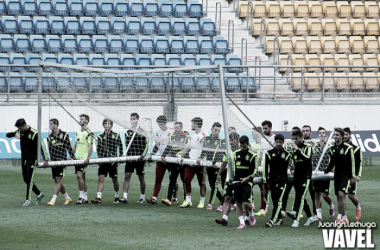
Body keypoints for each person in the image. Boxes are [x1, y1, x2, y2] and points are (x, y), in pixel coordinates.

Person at [6, 118, 48, 206]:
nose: (19, 130)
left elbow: (42, 146)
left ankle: (27, 200)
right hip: (24, 158)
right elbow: (7, 135)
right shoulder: (19, 131)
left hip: (33, 158)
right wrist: (15, 134)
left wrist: (46, 158)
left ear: (24, 125)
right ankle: (39, 193)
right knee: (25, 179)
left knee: (29, 178)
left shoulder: (35, 133)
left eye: (20, 128)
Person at [324, 127, 356, 225]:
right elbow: (332, 162)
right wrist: (326, 171)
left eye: (337, 135)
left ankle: (338, 217)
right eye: (334, 135)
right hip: (336, 175)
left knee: (342, 194)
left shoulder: (348, 148)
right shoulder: (332, 148)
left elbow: (352, 162)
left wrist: (353, 176)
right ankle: (345, 217)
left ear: (342, 136)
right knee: (339, 197)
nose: (335, 137)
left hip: (345, 176)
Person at [286, 129, 315, 227]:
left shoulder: (308, 147)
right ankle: (310, 217)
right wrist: (292, 168)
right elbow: (293, 160)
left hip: (306, 175)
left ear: (302, 138)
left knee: (301, 196)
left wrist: (298, 150)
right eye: (293, 139)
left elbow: (307, 159)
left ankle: (296, 220)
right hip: (297, 175)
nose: (294, 141)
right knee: (299, 196)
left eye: (296, 138)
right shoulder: (292, 147)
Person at [91, 119, 123, 204]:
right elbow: (98, 149)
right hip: (103, 161)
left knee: (114, 179)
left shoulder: (116, 135)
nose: (107, 125)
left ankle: (117, 196)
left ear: (111, 125)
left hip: (113, 161)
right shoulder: (100, 136)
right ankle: (98, 198)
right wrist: (100, 159)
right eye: (106, 123)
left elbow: (121, 146)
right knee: (101, 178)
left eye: (109, 123)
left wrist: (120, 157)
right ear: (103, 125)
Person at [179, 117, 208, 208]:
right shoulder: (192, 136)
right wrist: (180, 155)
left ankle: (202, 201)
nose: (191, 125)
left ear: (195, 124)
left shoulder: (204, 134)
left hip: (201, 163)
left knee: (202, 182)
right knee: (186, 179)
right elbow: (187, 148)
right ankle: (188, 200)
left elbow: (207, 148)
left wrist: (201, 158)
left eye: (192, 123)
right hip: (191, 162)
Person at [263, 134, 291, 227]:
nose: (278, 144)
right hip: (272, 181)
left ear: (283, 143)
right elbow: (265, 168)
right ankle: (279, 219)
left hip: (282, 181)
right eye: (277, 142)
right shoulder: (269, 153)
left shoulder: (287, 154)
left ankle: (272, 220)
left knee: (278, 201)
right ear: (274, 142)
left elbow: (288, 167)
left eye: (280, 142)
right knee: (275, 201)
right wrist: (265, 181)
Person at [119, 113, 148, 204]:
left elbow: (146, 144)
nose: (133, 121)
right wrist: (127, 156)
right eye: (131, 119)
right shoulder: (128, 132)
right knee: (127, 176)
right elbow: (127, 145)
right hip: (130, 159)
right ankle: (124, 196)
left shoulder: (143, 131)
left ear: (138, 119)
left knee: (141, 177)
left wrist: (142, 155)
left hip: (140, 159)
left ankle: (142, 196)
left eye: (134, 119)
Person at [45, 118, 75, 206]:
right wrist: (51, 162)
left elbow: (68, 147)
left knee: (58, 180)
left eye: (51, 124)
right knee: (57, 180)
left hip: (62, 161)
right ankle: (67, 198)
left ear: (55, 124)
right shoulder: (49, 137)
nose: (49, 126)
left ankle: (53, 200)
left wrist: (72, 157)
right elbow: (50, 150)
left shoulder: (64, 135)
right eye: (49, 124)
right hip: (54, 162)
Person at [146, 115, 175, 205]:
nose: (160, 126)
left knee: (173, 179)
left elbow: (173, 145)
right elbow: (157, 146)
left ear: (165, 123)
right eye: (159, 124)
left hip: (170, 160)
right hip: (161, 159)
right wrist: (153, 154)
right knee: (158, 179)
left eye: (161, 124)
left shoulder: (172, 131)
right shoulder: (158, 133)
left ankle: (175, 198)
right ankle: (154, 198)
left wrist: (167, 156)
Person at [231, 135, 258, 229]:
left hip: (247, 182)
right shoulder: (236, 153)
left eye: (244, 146)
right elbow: (234, 167)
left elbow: (255, 170)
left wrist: (248, 178)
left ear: (248, 144)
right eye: (241, 146)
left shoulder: (253, 155)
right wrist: (235, 179)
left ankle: (251, 213)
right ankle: (242, 222)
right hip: (237, 181)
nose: (242, 148)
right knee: (238, 202)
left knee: (246, 203)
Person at [197, 122, 224, 211]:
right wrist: (200, 158)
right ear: (212, 129)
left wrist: (217, 163)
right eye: (215, 130)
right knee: (212, 185)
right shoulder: (207, 139)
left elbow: (220, 154)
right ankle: (223, 201)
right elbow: (204, 150)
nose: (216, 132)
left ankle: (210, 204)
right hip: (208, 165)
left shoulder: (220, 140)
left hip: (216, 166)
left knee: (214, 184)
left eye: (218, 131)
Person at [161, 122, 189, 205]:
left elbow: (188, 149)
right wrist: (163, 155)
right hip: (174, 162)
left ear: (181, 128)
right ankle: (168, 199)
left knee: (184, 181)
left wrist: (181, 156)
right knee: (172, 180)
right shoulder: (172, 137)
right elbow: (168, 147)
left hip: (182, 162)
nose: (175, 129)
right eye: (175, 128)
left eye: (177, 128)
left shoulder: (186, 137)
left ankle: (186, 199)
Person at [312, 127, 335, 221]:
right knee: (317, 194)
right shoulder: (314, 147)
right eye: (320, 133)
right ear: (317, 135)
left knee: (324, 195)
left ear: (326, 135)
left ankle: (331, 205)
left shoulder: (329, 146)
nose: (321, 134)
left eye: (323, 133)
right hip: (316, 173)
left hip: (326, 173)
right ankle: (319, 215)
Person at [73, 114, 94, 204]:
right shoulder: (78, 131)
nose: (80, 120)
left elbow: (90, 146)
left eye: (82, 119)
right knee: (82, 177)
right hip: (77, 158)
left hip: (84, 158)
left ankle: (81, 196)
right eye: (80, 119)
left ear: (86, 121)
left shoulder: (89, 132)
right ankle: (85, 197)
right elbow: (76, 144)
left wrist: (88, 157)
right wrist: (71, 154)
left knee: (79, 176)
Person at [255, 120, 274, 217]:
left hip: (272, 168)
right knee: (263, 188)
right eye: (263, 128)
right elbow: (261, 153)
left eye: (266, 128)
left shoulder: (275, 139)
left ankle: (278, 209)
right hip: (263, 168)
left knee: (271, 188)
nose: (264, 130)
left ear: (271, 128)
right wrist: (258, 165)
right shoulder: (263, 139)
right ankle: (263, 208)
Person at [343, 127, 362, 221]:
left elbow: (359, 163)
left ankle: (358, 207)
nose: (345, 136)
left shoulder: (356, 148)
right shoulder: (339, 147)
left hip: (351, 176)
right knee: (341, 196)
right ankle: (344, 217)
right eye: (344, 134)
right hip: (342, 175)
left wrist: (357, 175)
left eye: (347, 134)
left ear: (350, 135)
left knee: (350, 195)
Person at [302, 125, 317, 217]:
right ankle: (301, 212)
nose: (305, 132)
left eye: (307, 131)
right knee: (301, 194)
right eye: (303, 131)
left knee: (313, 193)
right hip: (302, 172)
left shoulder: (314, 144)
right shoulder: (299, 144)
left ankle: (315, 212)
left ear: (310, 132)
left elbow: (315, 156)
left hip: (312, 171)